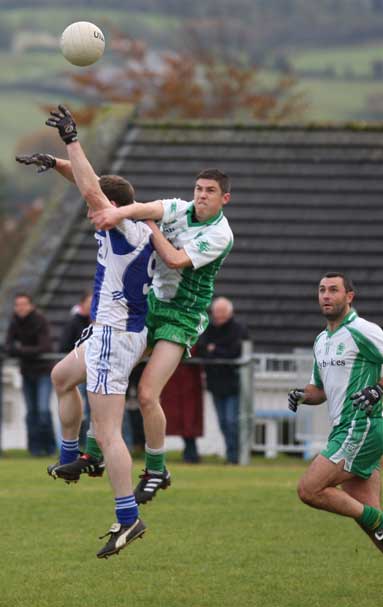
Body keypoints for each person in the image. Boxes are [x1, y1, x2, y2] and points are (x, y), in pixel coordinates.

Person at [16, 104, 156, 558]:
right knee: (60, 376)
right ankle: (72, 454)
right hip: (111, 333)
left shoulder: (123, 231)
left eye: (99, 206)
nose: (91, 211)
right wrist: (58, 163)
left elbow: (94, 194)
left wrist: (71, 141)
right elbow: (90, 189)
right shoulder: (128, 225)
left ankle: (128, 516)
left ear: (113, 208)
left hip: (115, 335)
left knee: (110, 431)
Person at [91, 160, 233, 503]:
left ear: (224, 199)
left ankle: (156, 468)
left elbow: (172, 258)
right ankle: (90, 450)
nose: (201, 196)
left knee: (146, 393)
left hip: (183, 315)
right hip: (153, 304)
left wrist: (149, 225)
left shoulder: (220, 234)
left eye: (210, 191)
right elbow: (143, 206)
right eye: (199, 189)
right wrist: (120, 212)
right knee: (106, 372)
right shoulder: (179, 208)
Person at [287, 272, 383, 598]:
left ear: (349, 296)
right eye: (322, 290)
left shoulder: (362, 329)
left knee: (309, 489)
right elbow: (320, 390)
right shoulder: (321, 340)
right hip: (346, 428)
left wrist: (378, 388)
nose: (326, 296)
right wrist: (302, 395)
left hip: (362, 426)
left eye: (334, 290)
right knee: (369, 520)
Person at [197, 297, 248, 464]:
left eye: (221, 313)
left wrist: (215, 349)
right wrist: (218, 350)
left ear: (229, 313)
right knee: (222, 423)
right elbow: (202, 349)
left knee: (232, 422)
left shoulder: (238, 329)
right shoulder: (208, 329)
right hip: (214, 384)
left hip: (233, 384)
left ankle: (235, 456)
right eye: (215, 312)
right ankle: (231, 454)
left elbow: (235, 351)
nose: (218, 316)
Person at [5, 293, 56, 456]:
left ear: (31, 305)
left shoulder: (40, 321)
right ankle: (34, 450)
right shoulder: (14, 322)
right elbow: (7, 345)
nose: (20, 308)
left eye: (24, 304)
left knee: (43, 411)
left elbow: (45, 347)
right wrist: (24, 352)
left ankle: (50, 447)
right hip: (26, 372)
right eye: (17, 304)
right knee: (30, 413)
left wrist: (19, 351)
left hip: (43, 372)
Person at [59, 290, 93, 448]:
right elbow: (64, 345)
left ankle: (90, 448)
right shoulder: (74, 322)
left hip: (97, 371)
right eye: (89, 302)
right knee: (84, 409)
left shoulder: (104, 322)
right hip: (82, 370)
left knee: (96, 410)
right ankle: (73, 445)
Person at [160, 353, 204, 464]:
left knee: (189, 418)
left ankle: (191, 452)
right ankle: (190, 452)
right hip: (174, 379)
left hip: (188, 380)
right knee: (178, 417)